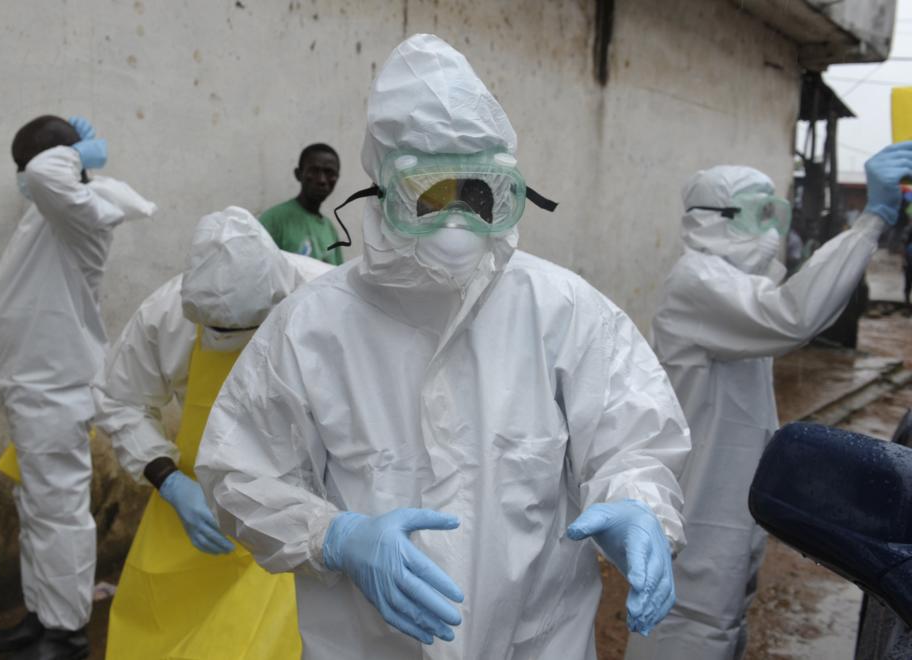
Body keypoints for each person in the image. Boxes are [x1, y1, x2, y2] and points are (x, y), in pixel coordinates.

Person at [196, 34, 691, 660]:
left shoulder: (562, 310)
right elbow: (237, 470)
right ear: (384, 187)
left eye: (477, 192)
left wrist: (636, 504)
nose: (456, 220)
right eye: (430, 194)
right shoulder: (311, 327)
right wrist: (334, 536)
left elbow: (633, 439)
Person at [625, 144, 912, 660]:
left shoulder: (732, 286)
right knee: (691, 626)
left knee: (720, 624)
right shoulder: (699, 283)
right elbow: (794, 317)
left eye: (774, 213)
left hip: (729, 498)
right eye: (761, 214)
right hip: (703, 503)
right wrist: (871, 221)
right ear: (715, 219)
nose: (772, 230)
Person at [92, 207, 331, 659]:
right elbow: (120, 399)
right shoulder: (164, 314)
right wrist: (169, 481)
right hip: (201, 500)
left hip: (302, 503)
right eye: (219, 331)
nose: (231, 340)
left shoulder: (325, 297)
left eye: (245, 329)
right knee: (156, 622)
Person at [0, 115, 156, 659]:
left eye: (25, 165)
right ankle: (42, 615)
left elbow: (44, 171)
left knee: (59, 511)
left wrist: (76, 152)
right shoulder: (53, 210)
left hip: (55, 389)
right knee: (37, 508)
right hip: (34, 389)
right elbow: (42, 174)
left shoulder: (82, 209)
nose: (23, 178)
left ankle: (67, 632)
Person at [258, 143, 343, 265]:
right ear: (298, 174)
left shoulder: (330, 229)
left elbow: (338, 277)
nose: (322, 180)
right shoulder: (274, 220)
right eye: (314, 171)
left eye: (329, 172)